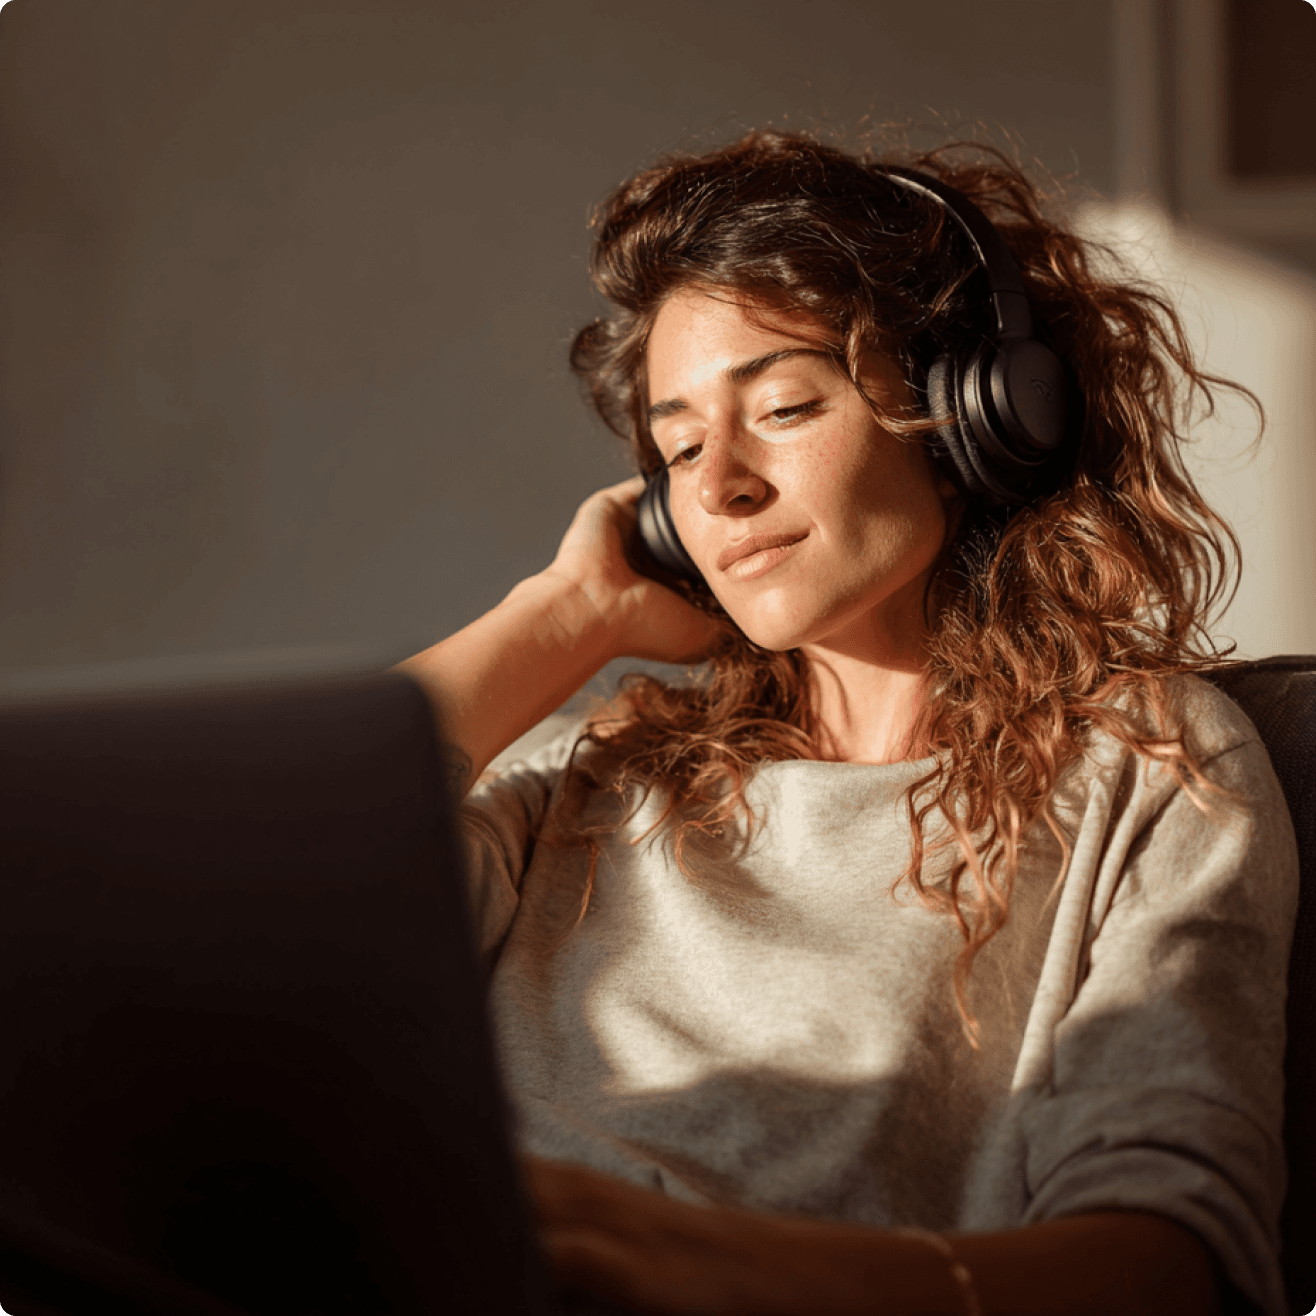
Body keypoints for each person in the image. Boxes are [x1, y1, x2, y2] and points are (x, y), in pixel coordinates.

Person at [397, 131, 1297, 1316]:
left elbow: (1165, 1260)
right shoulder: (594, 770)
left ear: (974, 413)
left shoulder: (1143, 765)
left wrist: (704, 1263)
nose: (714, 484)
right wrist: (564, 612)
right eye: (674, 445)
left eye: (778, 405)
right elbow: (236, 900)